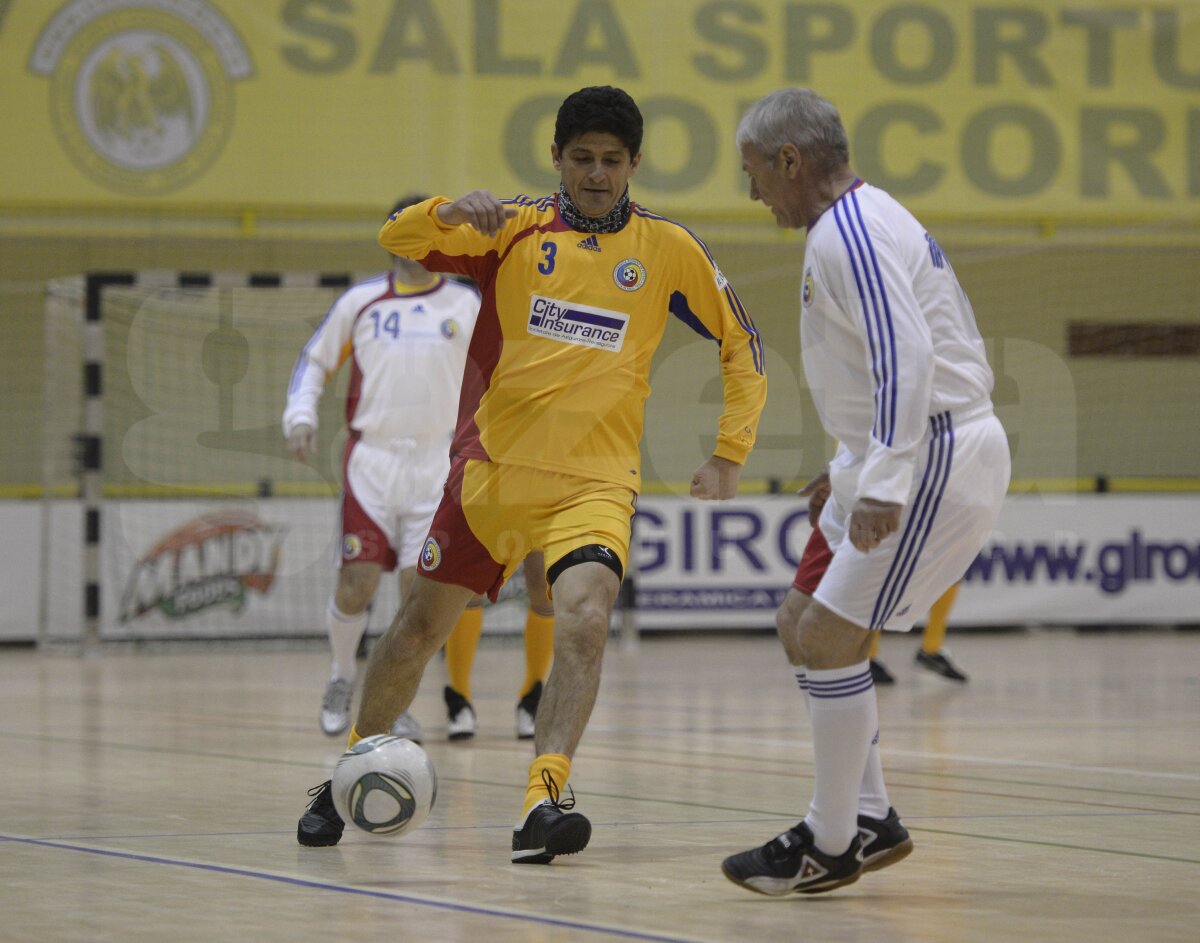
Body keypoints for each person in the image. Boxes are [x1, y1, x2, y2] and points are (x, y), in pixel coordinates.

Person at [296, 85, 767, 860]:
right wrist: (450, 211)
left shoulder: (669, 249)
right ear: (556, 158)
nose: (596, 174)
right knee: (416, 629)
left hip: (595, 482)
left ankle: (543, 800)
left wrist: (729, 452)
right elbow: (398, 235)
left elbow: (743, 346)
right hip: (492, 477)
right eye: (581, 158)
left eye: (611, 161)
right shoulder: (508, 228)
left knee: (584, 620)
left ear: (634, 164)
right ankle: (349, 768)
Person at [722, 87, 1009, 895]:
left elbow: (907, 358)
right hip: (897, 450)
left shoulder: (848, 234)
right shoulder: (860, 220)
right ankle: (871, 817)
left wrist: (883, 478)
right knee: (798, 621)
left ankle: (830, 837)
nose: (752, 194)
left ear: (790, 159)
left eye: (754, 174)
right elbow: (881, 363)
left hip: (934, 455)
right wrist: (850, 465)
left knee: (826, 637)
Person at [283, 205, 554, 743]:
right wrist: (300, 415)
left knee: (419, 598)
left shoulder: (466, 302)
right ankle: (341, 676)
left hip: (440, 464)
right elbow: (314, 361)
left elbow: (508, 365)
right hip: (373, 462)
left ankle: (395, 702)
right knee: (356, 584)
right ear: (392, 239)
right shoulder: (360, 302)